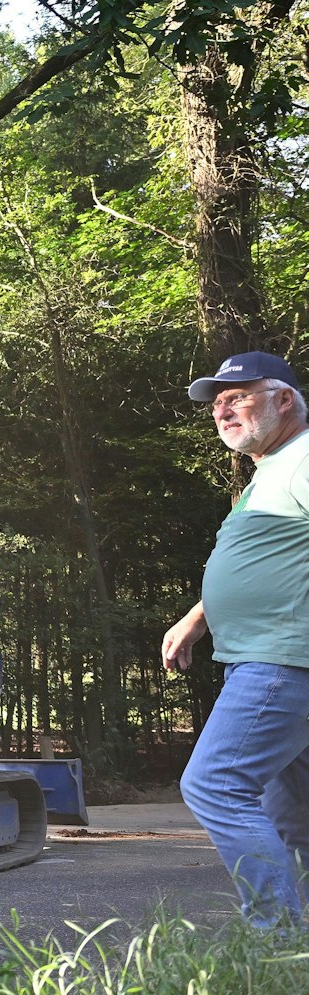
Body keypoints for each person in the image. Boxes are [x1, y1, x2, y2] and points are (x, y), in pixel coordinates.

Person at [162, 350, 309, 928]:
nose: (222, 410)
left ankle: (275, 935)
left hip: (282, 658)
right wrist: (198, 617)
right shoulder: (270, 471)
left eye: (237, 397)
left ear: (284, 400)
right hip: (268, 655)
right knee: (293, 815)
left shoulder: (303, 458)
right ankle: (295, 959)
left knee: (215, 784)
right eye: (217, 402)